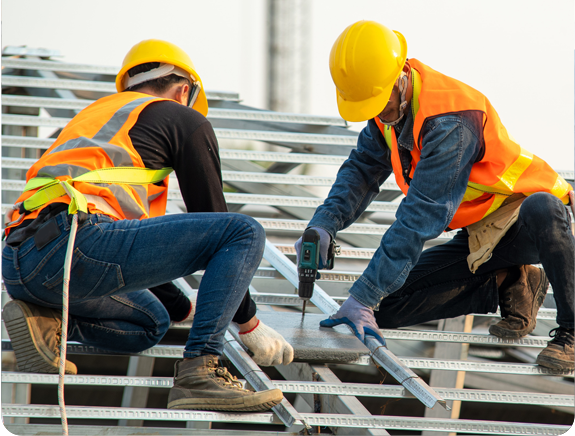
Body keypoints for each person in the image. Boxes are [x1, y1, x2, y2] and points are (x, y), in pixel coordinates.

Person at [2, 39, 292, 412]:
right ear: (183, 90)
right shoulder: (181, 117)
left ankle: (46, 320)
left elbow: (134, 252)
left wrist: (184, 306)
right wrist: (248, 321)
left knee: (153, 321)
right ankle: (201, 369)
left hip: (20, 260)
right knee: (243, 231)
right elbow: (214, 217)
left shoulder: (97, 118)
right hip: (77, 244)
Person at [296, 21, 575, 371]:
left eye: (378, 104)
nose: (376, 114)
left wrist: (362, 294)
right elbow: (360, 171)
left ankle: (571, 332)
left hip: (526, 218)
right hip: (481, 233)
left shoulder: (450, 122)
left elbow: (421, 216)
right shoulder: (386, 109)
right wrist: (324, 224)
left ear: (400, 77)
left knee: (543, 207)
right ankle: (511, 279)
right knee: (383, 307)